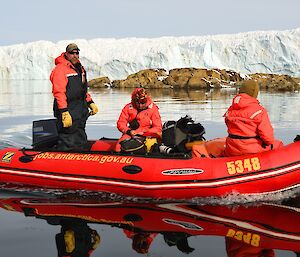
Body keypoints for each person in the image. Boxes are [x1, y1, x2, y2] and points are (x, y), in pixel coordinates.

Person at [50, 43, 98, 150]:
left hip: (80, 109)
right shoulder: (60, 69)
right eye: (72, 53)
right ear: (66, 54)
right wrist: (64, 112)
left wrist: (90, 103)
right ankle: (62, 160)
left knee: (80, 134)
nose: (75, 55)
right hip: (68, 109)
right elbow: (59, 92)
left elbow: (83, 90)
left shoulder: (80, 69)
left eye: (77, 53)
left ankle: (81, 157)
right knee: (68, 137)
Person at [223, 80, 283, 156]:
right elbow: (268, 138)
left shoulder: (231, 109)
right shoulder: (259, 111)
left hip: (232, 150)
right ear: (254, 93)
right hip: (252, 150)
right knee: (278, 144)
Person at [115, 88, 162, 152]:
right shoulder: (128, 107)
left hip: (148, 135)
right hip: (131, 133)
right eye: (138, 102)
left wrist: (144, 133)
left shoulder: (153, 109)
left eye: (142, 102)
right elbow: (121, 123)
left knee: (149, 147)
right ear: (134, 100)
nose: (140, 105)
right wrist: (129, 131)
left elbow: (158, 127)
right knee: (118, 147)